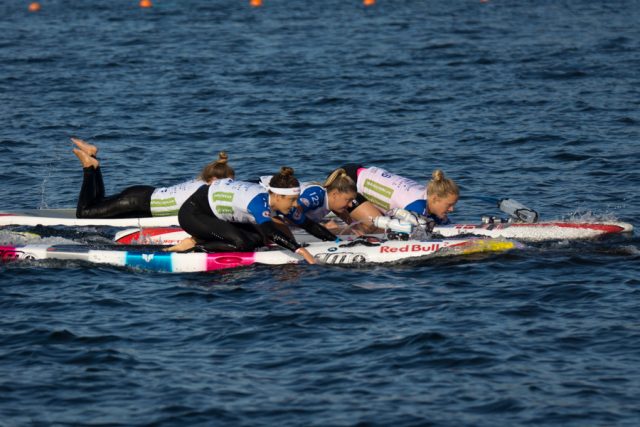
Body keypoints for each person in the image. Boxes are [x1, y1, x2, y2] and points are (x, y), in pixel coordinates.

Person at [168, 167, 325, 265]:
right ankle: (195, 247)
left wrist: (337, 241)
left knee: (257, 239)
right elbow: (272, 232)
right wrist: (300, 251)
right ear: (278, 196)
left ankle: (201, 239)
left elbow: (309, 225)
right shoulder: (259, 202)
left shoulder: (279, 202)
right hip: (194, 213)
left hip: (215, 212)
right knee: (241, 244)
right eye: (292, 200)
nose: (294, 204)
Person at [71, 137, 234, 218]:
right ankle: (88, 166)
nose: (229, 186)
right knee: (84, 213)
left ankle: (92, 157)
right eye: (228, 182)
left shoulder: (202, 182)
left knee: (98, 203)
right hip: (137, 201)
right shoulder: (207, 192)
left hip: (142, 195)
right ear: (214, 180)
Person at [330, 164, 459, 233]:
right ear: (435, 198)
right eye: (449, 205)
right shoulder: (415, 206)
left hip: (358, 171)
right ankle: (332, 228)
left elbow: (441, 224)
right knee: (374, 228)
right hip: (349, 181)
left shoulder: (430, 195)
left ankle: (349, 219)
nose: (452, 209)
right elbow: (411, 232)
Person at [285, 168, 358, 233]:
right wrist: (321, 226)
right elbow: (290, 214)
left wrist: (356, 229)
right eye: (348, 200)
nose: (351, 205)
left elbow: (350, 222)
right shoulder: (317, 196)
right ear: (335, 194)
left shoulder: (332, 203)